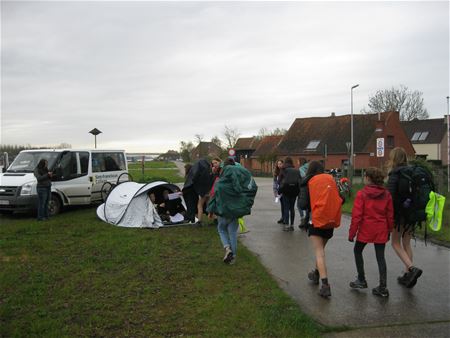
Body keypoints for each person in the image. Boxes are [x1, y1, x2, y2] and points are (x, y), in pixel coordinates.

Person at [299, 161, 342, 298]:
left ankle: (325, 285)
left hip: (316, 220)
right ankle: (316, 274)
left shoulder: (308, 182)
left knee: (319, 252)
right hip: (330, 220)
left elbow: (303, 204)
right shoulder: (330, 179)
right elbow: (342, 198)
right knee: (321, 250)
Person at [348, 167, 394, 297]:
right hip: (381, 228)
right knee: (380, 257)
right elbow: (390, 215)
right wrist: (389, 230)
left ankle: (361, 279)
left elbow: (357, 215)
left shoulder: (362, 194)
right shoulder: (386, 194)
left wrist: (352, 233)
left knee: (358, 251)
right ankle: (383, 287)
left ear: (368, 178)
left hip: (365, 229)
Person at [386, 147, 423, 288]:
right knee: (406, 243)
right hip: (412, 213)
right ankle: (408, 275)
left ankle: (412, 269)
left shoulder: (395, 174)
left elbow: (389, 197)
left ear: (394, 159)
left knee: (395, 243)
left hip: (400, 214)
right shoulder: (412, 172)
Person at [278, 157, 300, 231]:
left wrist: (280, 189)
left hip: (286, 190)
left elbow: (279, 181)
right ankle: (292, 225)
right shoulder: (296, 170)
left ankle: (287, 225)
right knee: (292, 208)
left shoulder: (283, 170)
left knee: (286, 207)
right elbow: (300, 180)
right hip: (294, 191)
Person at [297, 158, 309, 230]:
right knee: (308, 205)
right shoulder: (310, 167)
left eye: (298, 161)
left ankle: (303, 219)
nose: (297, 162)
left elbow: (303, 176)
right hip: (311, 188)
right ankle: (307, 219)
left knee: (299, 204)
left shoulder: (301, 168)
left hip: (303, 189)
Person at [273, 159, 284, 224]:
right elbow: (274, 183)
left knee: (285, 205)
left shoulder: (285, 171)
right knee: (282, 205)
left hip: (284, 190)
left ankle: (285, 218)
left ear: (283, 164)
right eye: (278, 164)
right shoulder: (276, 172)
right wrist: (275, 192)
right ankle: (282, 217)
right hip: (279, 191)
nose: (279, 165)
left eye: (280, 164)